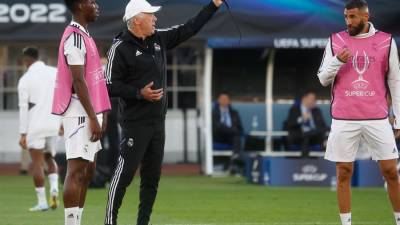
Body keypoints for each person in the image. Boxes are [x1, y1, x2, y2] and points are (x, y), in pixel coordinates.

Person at [103, 0, 223, 224]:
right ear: (137, 20)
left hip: (158, 122)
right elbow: (108, 85)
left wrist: (213, 5)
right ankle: (110, 221)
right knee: (125, 174)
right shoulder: (119, 48)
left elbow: (189, 28)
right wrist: (139, 93)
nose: (155, 19)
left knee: (151, 179)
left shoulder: (158, 38)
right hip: (134, 124)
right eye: (151, 15)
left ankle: (143, 222)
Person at [317, 1, 400, 224]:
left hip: (377, 116)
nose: (348, 21)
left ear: (366, 16)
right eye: (345, 16)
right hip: (344, 117)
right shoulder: (335, 40)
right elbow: (323, 78)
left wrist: (399, 118)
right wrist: (336, 61)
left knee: (391, 171)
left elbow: (395, 81)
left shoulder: (386, 41)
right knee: (344, 172)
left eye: (352, 17)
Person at [52, 0, 111, 224]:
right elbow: (78, 81)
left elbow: (95, 80)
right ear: (79, 6)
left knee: (88, 171)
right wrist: (92, 116)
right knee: (76, 170)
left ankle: (77, 220)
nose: (96, 5)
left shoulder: (85, 35)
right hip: (79, 111)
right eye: (91, 2)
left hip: (89, 112)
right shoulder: (75, 37)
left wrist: (102, 112)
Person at [18, 46, 61, 212]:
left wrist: (23, 133)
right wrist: (62, 123)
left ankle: (42, 202)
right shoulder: (54, 72)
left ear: (26, 60)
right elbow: (62, 97)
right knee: (49, 158)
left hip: (35, 125)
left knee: (37, 162)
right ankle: (55, 188)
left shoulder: (25, 79)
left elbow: (23, 108)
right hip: (54, 122)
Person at [285, 90, 328, 157]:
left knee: (326, 138)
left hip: (314, 136)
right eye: (312, 99)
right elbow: (290, 124)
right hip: (299, 136)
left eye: (314, 99)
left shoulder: (316, 111)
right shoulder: (294, 109)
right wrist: (302, 119)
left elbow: (323, 126)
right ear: (304, 98)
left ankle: (325, 162)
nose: (314, 101)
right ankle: (305, 162)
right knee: (306, 136)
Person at [212, 92, 244, 173]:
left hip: (231, 137)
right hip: (219, 136)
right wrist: (232, 130)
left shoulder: (234, 113)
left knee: (237, 138)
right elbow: (216, 126)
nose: (224, 101)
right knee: (223, 127)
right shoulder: (214, 113)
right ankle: (235, 160)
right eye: (222, 99)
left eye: (226, 99)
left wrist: (234, 130)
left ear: (229, 101)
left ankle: (235, 158)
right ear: (218, 100)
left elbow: (240, 128)